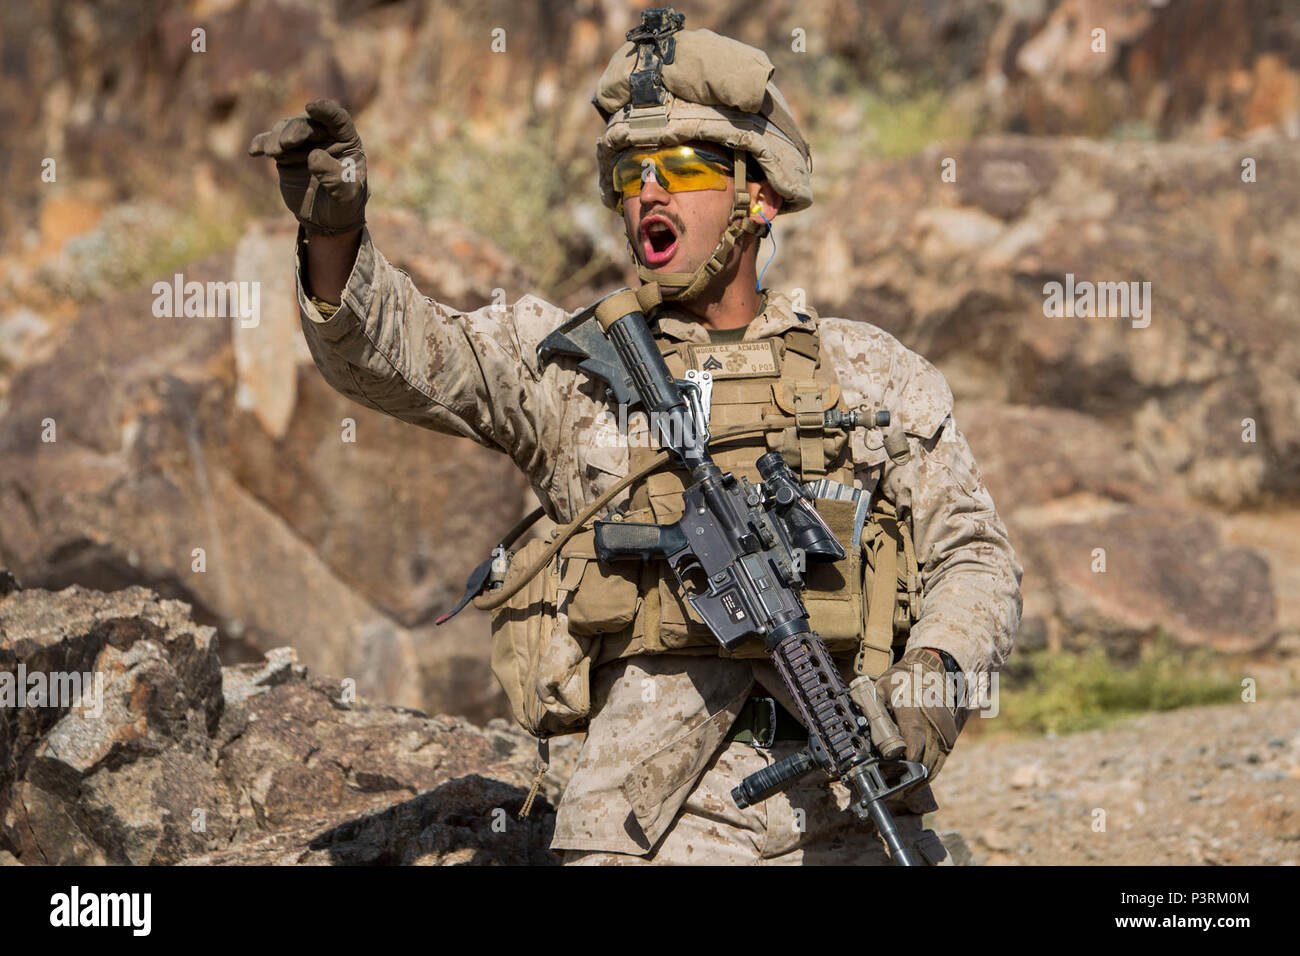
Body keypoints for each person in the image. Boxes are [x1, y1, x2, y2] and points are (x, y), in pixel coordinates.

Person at [249, 10, 1022, 865]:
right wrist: (334, 229)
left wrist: (936, 681)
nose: (648, 191)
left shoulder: (873, 372)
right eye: (629, 172)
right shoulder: (570, 366)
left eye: (683, 168)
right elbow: (397, 358)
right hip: (644, 825)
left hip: (850, 803)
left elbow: (975, 554)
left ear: (757, 196)